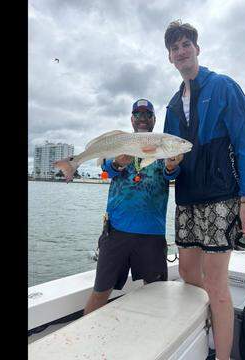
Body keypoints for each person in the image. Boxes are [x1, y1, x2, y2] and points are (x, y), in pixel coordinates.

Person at [162, 21, 245, 359]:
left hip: (222, 196)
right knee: (189, 273)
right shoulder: (173, 106)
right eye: (175, 48)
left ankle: (221, 354)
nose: (181, 51)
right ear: (170, 57)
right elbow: (167, 162)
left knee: (218, 283)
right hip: (187, 198)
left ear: (197, 49)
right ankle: (213, 323)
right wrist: (170, 166)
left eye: (186, 44)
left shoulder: (223, 86)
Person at [83, 98, 184, 315]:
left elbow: (171, 174)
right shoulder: (120, 142)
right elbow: (105, 171)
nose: (142, 119)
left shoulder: (162, 146)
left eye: (147, 115)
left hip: (152, 235)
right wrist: (119, 162)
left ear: (154, 119)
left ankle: (155, 343)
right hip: (116, 232)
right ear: (131, 119)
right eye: (138, 115)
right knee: (101, 292)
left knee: (156, 292)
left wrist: (172, 164)